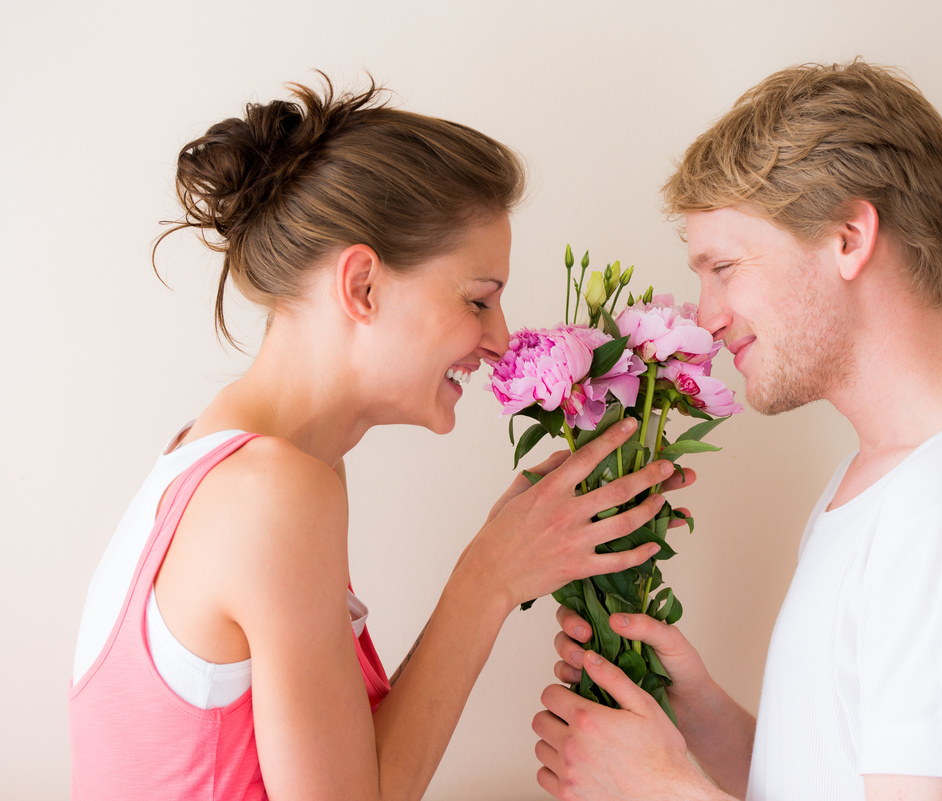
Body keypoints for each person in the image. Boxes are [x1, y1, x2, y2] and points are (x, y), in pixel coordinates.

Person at [68, 74, 683, 801]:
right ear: (362, 285)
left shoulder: (231, 467)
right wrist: (490, 576)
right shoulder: (270, 493)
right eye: (478, 297)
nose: (501, 338)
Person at [534, 60, 942, 801]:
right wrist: (702, 717)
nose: (705, 315)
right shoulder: (890, 482)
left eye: (726, 265)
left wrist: (661, 789)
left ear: (849, 237)